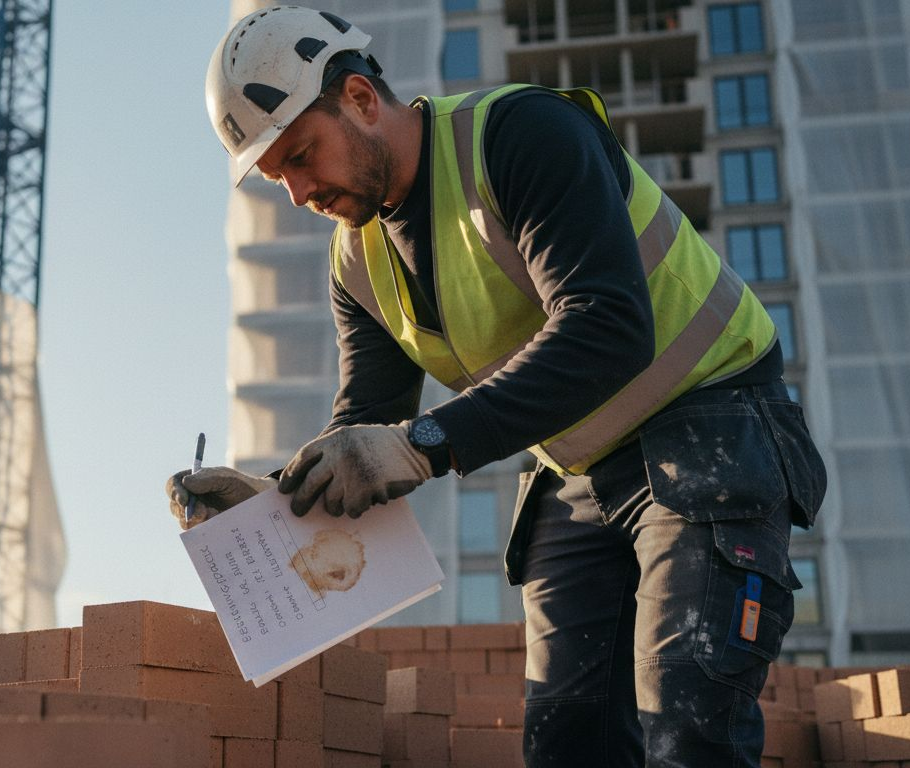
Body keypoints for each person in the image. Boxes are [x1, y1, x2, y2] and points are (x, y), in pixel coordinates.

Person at [167, 7, 826, 767]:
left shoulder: (518, 135)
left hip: (711, 428)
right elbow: (370, 426)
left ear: (358, 98)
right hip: (579, 475)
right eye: (277, 174)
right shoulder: (357, 263)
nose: (297, 191)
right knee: (567, 743)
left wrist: (426, 446)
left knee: (687, 727)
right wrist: (275, 500)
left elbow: (608, 323)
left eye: (302, 155)